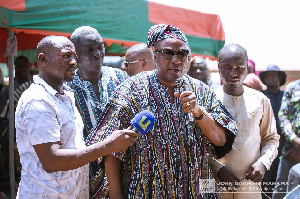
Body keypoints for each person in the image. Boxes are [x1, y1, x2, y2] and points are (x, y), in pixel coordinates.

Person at [87, 24, 237, 198]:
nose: (175, 60)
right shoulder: (131, 90)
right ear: (154, 55)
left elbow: (220, 140)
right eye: (167, 53)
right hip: (144, 191)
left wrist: (199, 112)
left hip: (195, 191)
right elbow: (112, 152)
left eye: (181, 54)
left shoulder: (201, 91)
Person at [15, 35, 139, 198]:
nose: (73, 62)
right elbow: (52, 161)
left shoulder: (64, 96)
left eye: (74, 56)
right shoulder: (38, 100)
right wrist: (109, 146)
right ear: (43, 60)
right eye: (66, 56)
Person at [67, 26, 130, 198]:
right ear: (75, 54)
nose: (97, 53)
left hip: (122, 172)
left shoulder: (122, 79)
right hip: (83, 175)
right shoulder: (66, 88)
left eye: (100, 47)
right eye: (89, 50)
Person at [210, 44, 279, 199]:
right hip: (215, 184)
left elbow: (272, 139)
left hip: (250, 185)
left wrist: (263, 162)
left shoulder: (261, 100)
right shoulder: (208, 100)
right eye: (227, 67)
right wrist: (218, 168)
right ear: (219, 67)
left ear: (247, 68)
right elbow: (197, 145)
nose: (233, 73)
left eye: (239, 68)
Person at [259, 64, 287, 196]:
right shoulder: (260, 96)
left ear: (280, 78)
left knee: (281, 180)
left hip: (285, 146)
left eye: (274, 75)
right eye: (268, 75)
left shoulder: (286, 96)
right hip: (265, 145)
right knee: (266, 180)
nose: (271, 78)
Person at [272, 79, 300, 199]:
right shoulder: (292, 87)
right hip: (290, 150)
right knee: (281, 190)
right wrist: (294, 140)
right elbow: (283, 116)